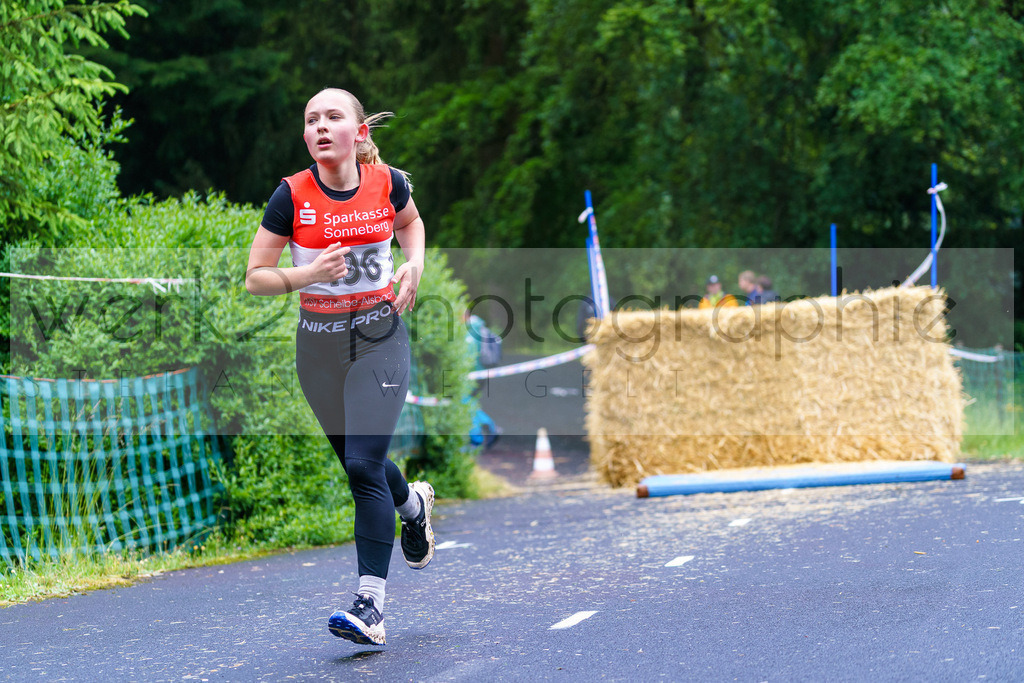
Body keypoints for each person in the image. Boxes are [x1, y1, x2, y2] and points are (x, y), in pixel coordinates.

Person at [245, 87, 433, 647]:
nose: (321, 127)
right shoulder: (291, 196)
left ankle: (370, 607)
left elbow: (411, 225)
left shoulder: (387, 182)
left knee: (360, 466)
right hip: (318, 348)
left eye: (333, 117)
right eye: (311, 120)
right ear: (306, 136)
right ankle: (413, 505)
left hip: (379, 338)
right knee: (363, 465)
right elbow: (257, 276)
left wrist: (414, 264)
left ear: (360, 133)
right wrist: (308, 274)